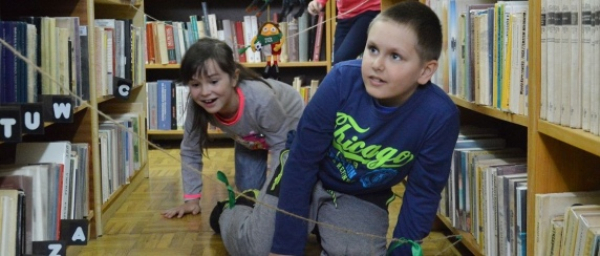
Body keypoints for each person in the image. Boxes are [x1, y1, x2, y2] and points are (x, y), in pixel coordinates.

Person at [269, 1, 460, 255]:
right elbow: (302, 161)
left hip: (361, 195)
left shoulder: (440, 116)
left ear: (425, 71)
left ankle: (325, 224)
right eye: (372, 49)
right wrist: (285, 249)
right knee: (260, 245)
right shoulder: (339, 80)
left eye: (395, 56)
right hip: (305, 174)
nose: (377, 64)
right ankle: (228, 213)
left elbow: (422, 194)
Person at [161, 37, 305, 219]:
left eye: (213, 82)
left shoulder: (262, 99)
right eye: (196, 84)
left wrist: (271, 197)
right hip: (251, 137)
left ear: (234, 78)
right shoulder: (197, 106)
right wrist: (192, 199)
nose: (205, 92)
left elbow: (280, 147)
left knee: (281, 192)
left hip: (288, 120)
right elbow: (190, 149)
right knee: (248, 195)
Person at [307, 0, 380, 65]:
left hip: (369, 10)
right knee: (338, 65)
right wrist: (319, 2)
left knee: (342, 60)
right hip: (344, 16)